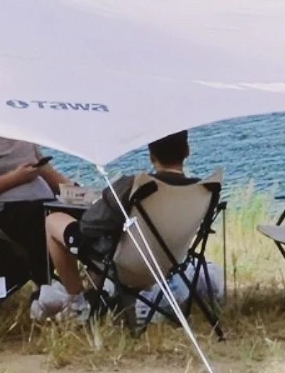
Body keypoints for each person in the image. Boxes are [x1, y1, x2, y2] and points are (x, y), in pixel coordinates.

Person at [40, 130, 216, 322]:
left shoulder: (134, 185)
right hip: (170, 266)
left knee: (53, 220)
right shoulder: (205, 190)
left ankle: (77, 302)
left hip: (125, 267)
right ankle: (105, 300)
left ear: (151, 155)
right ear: (187, 151)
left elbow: (90, 225)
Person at [0, 128, 76, 291]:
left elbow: (47, 173)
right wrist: (16, 178)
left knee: (94, 216)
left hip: (47, 204)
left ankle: (103, 281)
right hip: (6, 211)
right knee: (40, 219)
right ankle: (58, 290)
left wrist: (81, 195)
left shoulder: (24, 136)